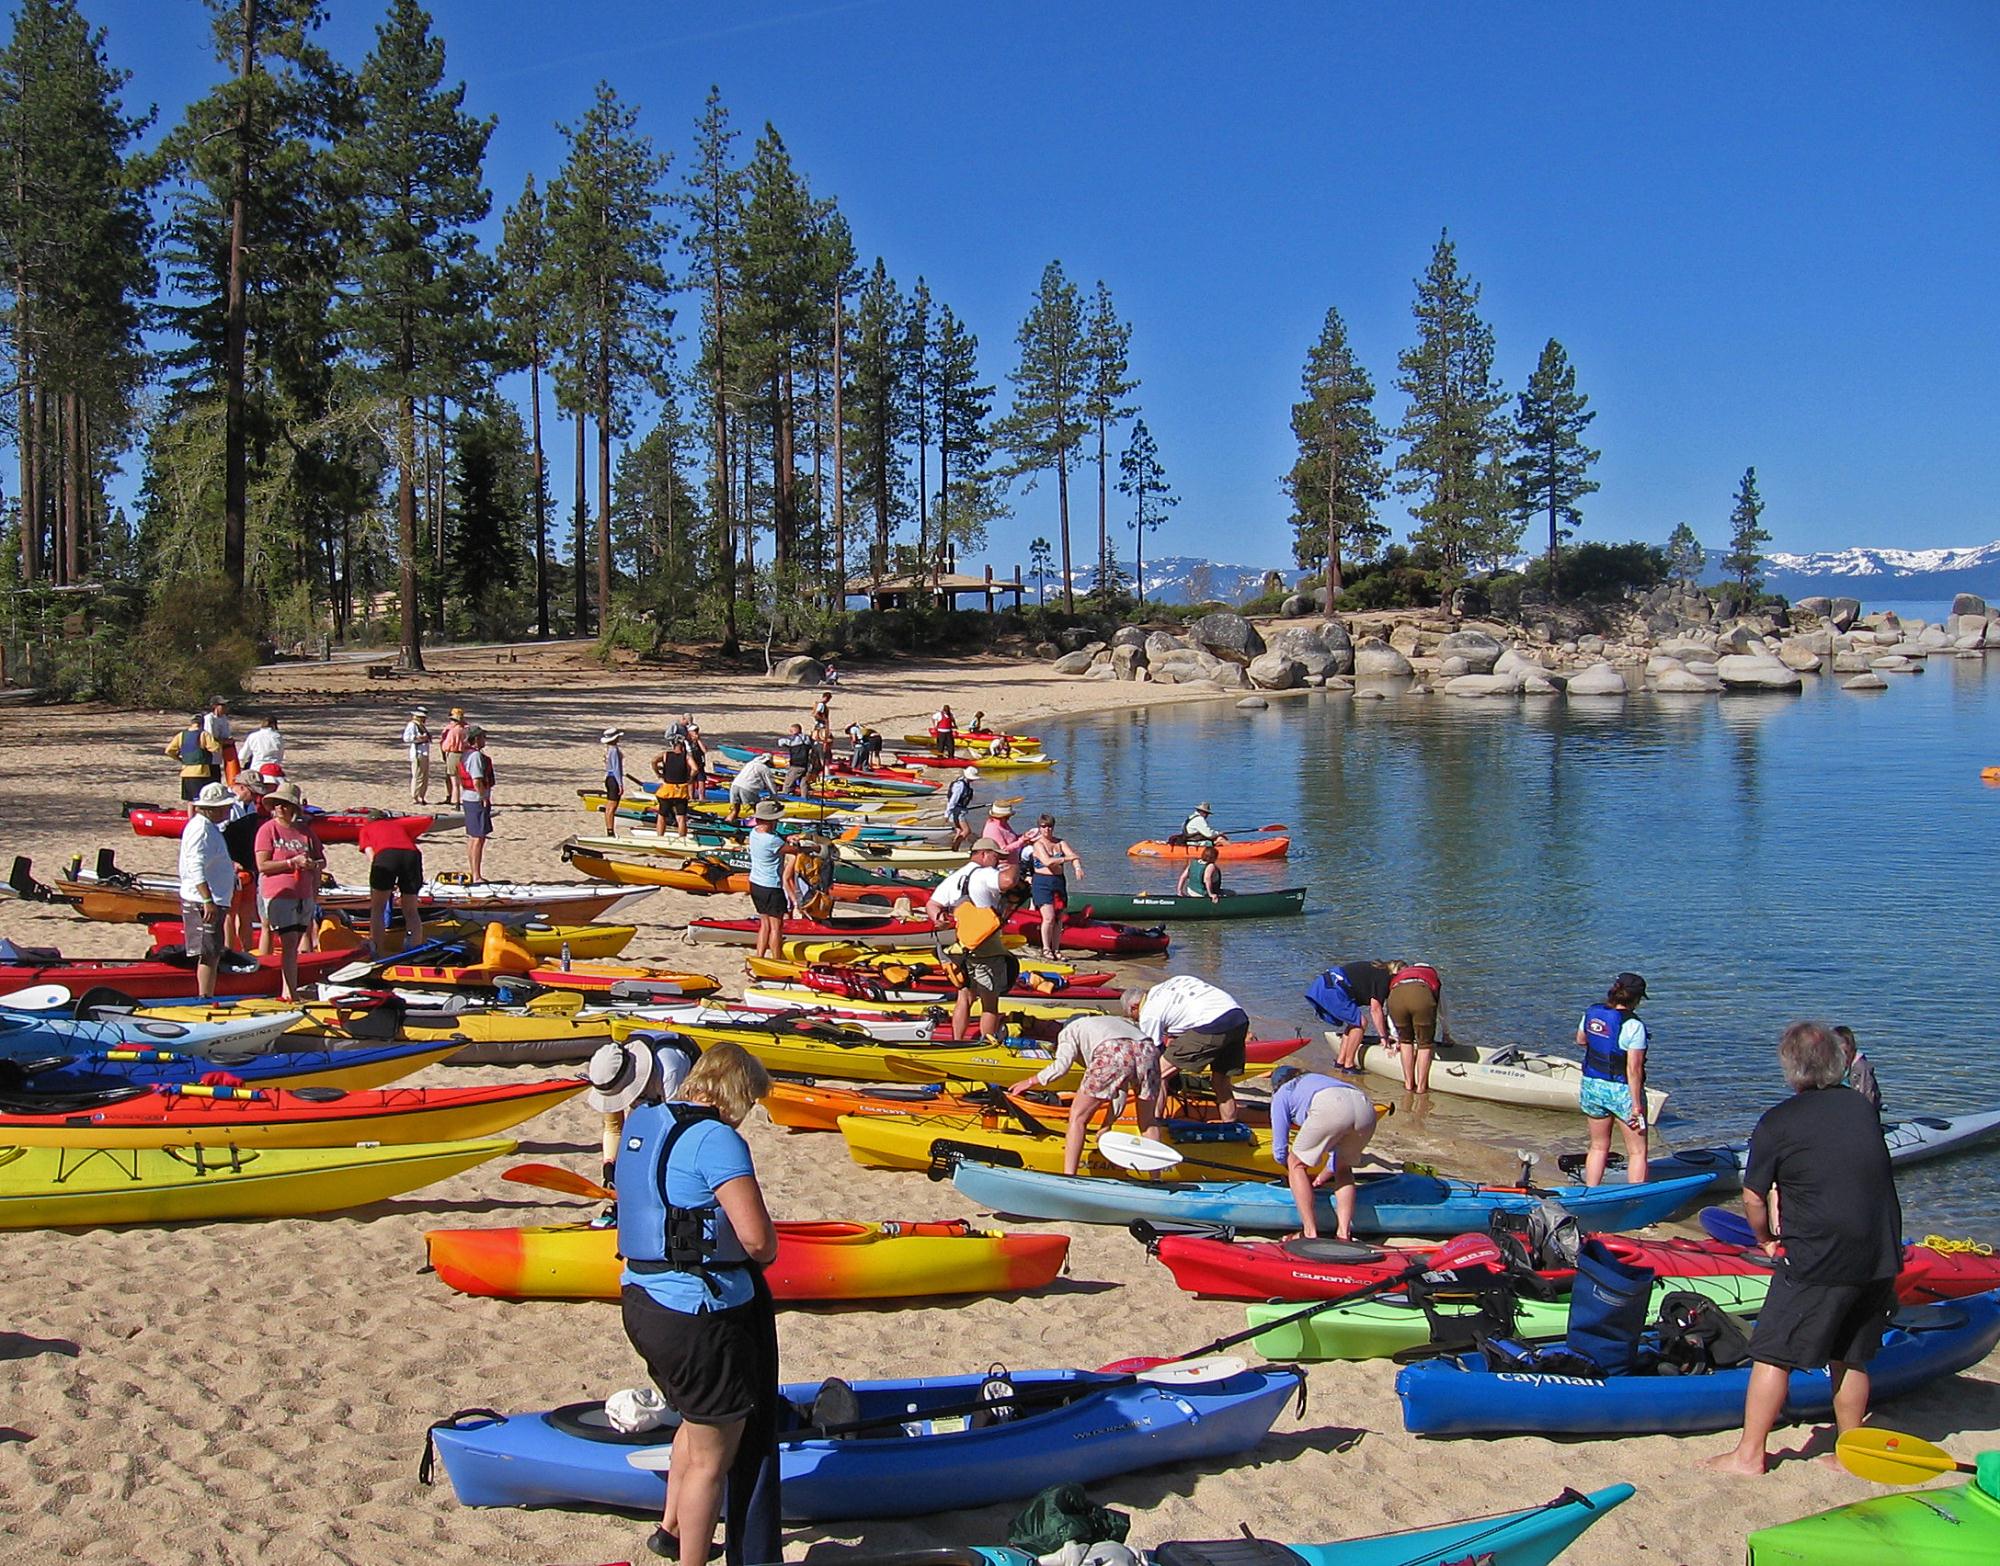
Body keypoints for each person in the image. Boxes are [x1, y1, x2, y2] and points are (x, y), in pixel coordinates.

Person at [1702, 1022, 1903, 1477]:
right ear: (1837, 1062)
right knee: (1850, 1355)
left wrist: (1764, 1239)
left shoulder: (1778, 1122)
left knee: (1773, 1352)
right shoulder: (1861, 1107)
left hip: (1819, 1256)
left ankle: (1749, 1455)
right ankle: (1849, 1452)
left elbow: (1753, 1197)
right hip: (1879, 1251)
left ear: (1790, 1069)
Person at [616, 1041, 781, 1566]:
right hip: (698, 1315)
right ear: (737, 1093)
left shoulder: (644, 1122)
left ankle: (669, 1529)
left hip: (641, 1301)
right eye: (751, 1101)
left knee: (696, 1418)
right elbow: (759, 1242)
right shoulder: (717, 1139)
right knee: (714, 1459)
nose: (748, 1113)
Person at [586, 1032, 699, 1228]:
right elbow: (614, 1128)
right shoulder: (609, 1075)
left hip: (684, 1094)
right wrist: (610, 1165)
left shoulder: (669, 1069)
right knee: (630, 1154)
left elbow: (674, 1132)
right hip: (651, 1092)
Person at [1028, 1013, 1161, 1176]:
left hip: (1112, 1051)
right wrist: (1107, 1124)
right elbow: (1121, 1089)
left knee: (1078, 1117)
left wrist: (1031, 1081)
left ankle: (1069, 1175)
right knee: (1148, 1121)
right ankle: (1156, 1178)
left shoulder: (1069, 1030)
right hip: (1148, 1050)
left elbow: (1061, 1066)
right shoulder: (1114, 1021)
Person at [1268, 1064, 1380, 1242]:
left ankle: (1309, 1233)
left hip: (1332, 1105)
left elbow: (1280, 1150)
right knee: (1343, 1168)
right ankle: (1344, 1234)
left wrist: (1291, 1172)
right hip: (1365, 1107)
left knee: (1295, 1163)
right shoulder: (1317, 1080)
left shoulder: (1282, 1093)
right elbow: (1336, 1158)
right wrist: (1321, 1178)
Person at [925, 837, 1017, 1041]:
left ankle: (957, 1041)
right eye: (996, 856)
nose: (998, 861)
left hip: (960, 946)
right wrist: (1015, 865)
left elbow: (932, 904)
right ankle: (986, 1044)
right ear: (984, 854)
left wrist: (938, 918)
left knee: (964, 997)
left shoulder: (955, 877)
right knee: (990, 1002)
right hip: (986, 947)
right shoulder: (985, 874)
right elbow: (1008, 882)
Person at [1126, 974, 1250, 1123]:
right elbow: (1178, 1028)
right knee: (1221, 1082)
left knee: (1159, 1075)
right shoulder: (1166, 988)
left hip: (1211, 1024)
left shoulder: (1148, 1014)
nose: (1137, 1020)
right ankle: (1230, 1126)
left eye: (1133, 1017)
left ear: (1134, 1007)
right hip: (1238, 1018)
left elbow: (1153, 1055)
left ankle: (1155, 1124)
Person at [1577, 972, 1651, 1186]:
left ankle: (1590, 1192)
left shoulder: (1592, 1012)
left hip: (1592, 1085)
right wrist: (1636, 1106)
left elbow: (1581, 1040)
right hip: (1621, 1090)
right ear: (1636, 999)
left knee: (1598, 1146)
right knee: (1637, 1152)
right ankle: (1636, 1198)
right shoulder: (1634, 1026)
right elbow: (1633, 1069)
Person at [254, 782, 322, 1000]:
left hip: (303, 893)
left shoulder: (305, 832)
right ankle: (289, 991)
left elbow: (321, 859)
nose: (280, 808)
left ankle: (288, 989)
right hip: (279, 892)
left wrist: (312, 866)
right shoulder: (268, 830)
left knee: (295, 942)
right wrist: (292, 862)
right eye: (277, 804)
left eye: (284, 804)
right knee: (288, 942)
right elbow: (263, 865)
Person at [178, 782, 237, 998]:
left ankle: (207, 994)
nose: (229, 811)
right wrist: (207, 900)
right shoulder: (201, 829)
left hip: (212, 898)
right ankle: (204, 996)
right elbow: (195, 866)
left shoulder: (207, 827)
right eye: (226, 807)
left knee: (212, 951)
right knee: (208, 952)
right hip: (203, 899)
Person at [358, 809, 426, 954]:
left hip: (386, 855)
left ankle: (377, 949)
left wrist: (384, 881)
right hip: (412, 855)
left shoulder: (366, 828)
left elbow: (372, 857)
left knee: (378, 908)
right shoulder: (397, 825)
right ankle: (414, 950)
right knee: (411, 910)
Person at [1308, 960, 1394, 1070]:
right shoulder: (1384, 978)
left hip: (1325, 984)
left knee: (1354, 1022)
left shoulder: (1379, 970)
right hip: (1331, 988)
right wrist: (1383, 1037)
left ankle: (1340, 1061)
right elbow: (1375, 1010)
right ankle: (1349, 1065)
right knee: (1361, 1023)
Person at [220, 771, 271, 952]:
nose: (256, 797)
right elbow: (218, 839)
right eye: (253, 792)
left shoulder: (250, 807)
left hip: (248, 866)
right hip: (231, 867)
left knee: (246, 913)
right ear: (241, 787)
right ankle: (228, 951)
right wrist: (230, 862)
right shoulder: (226, 806)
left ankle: (247, 950)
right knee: (230, 913)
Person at [1022, 814, 1083, 961]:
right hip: (1042, 882)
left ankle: (1056, 949)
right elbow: (1047, 861)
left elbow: (1074, 856)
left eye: (1049, 826)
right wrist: (1068, 858)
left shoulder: (1060, 843)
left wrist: (1077, 867)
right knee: (1048, 917)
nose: (1047, 829)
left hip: (1058, 881)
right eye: (1043, 827)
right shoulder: (1038, 844)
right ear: (1039, 828)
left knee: (1059, 918)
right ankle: (1046, 948)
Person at [1386, 960, 1447, 1093]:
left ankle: (1408, 1084)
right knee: (1425, 1044)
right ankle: (1421, 1087)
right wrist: (1446, 1034)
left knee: (1405, 1042)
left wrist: (1395, 1036)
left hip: (1395, 998)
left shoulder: (1400, 976)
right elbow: (1443, 1011)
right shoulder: (1432, 976)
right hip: (1421, 996)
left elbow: (1389, 1012)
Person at [746, 802, 797, 959]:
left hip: (756, 884)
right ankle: (777, 959)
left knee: (765, 925)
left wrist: (787, 837)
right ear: (770, 820)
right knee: (776, 927)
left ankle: (759, 957)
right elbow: (794, 850)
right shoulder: (772, 841)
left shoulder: (754, 833)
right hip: (771, 887)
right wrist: (814, 848)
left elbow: (777, 840)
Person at [458, 725, 495, 882]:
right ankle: (476, 875)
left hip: (469, 799)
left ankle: (474, 873)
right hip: (475, 800)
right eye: (482, 737)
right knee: (478, 838)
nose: (484, 739)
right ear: (476, 739)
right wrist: (483, 797)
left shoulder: (467, 754)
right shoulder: (475, 757)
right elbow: (477, 781)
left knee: (474, 837)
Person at [164, 712, 218, 802]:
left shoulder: (181, 735)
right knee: (201, 800)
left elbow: (168, 751)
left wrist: (179, 758)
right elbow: (215, 748)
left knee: (190, 801)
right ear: (202, 723)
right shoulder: (204, 734)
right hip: (201, 772)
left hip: (186, 772)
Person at [1834, 1025, 1882, 1115]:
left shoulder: (1861, 1069)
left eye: (1845, 1052)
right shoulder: (1837, 1065)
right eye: (1836, 1053)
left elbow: (1867, 1098)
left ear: (1852, 1049)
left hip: (1862, 1114)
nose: (1842, 1056)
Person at [653, 738, 696, 837]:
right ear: (683, 747)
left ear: (673, 746)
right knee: (681, 817)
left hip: (667, 789)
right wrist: (690, 778)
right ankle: (682, 838)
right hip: (681, 790)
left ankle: (660, 837)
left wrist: (658, 773)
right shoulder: (686, 757)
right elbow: (695, 768)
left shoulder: (665, 755)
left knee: (662, 816)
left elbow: (653, 761)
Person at [727, 752, 780, 824]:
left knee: (735, 810)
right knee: (758, 809)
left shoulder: (750, 763)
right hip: (748, 788)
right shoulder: (765, 768)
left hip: (734, 786)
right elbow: (771, 785)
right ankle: (759, 825)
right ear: (768, 761)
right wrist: (776, 800)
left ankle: (728, 822)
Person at [236, 715, 284, 780]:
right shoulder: (277, 737)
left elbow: (242, 756)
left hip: (257, 769)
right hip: (273, 770)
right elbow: (280, 756)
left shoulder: (253, 736)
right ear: (273, 725)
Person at [943, 765, 980, 850]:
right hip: (957, 811)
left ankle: (954, 848)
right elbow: (953, 800)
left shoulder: (963, 782)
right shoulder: (960, 785)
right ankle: (955, 847)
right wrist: (947, 814)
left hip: (958, 810)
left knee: (959, 830)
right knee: (966, 831)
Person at [438, 708, 468, 805]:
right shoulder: (466, 729)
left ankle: (454, 800)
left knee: (454, 781)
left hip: (453, 754)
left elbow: (445, 745)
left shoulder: (452, 731)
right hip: (464, 754)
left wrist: (444, 753)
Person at [204, 698, 237, 785]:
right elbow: (209, 737)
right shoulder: (209, 718)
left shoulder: (223, 718)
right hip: (210, 753)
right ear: (215, 706)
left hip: (218, 752)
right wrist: (223, 741)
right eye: (222, 705)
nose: (225, 708)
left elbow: (226, 734)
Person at [402, 708, 432, 804]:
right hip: (417, 753)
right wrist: (418, 738)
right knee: (418, 775)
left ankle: (421, 796)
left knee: (424, 776)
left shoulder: (421, 725)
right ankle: (415, 796)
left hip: (424, 752)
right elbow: (406, 738)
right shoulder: (412, 725)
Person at [601, 728, 627, 837]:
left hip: (608, 777)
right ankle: (610, 831)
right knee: (612, 807)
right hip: (614, 779)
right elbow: (617, 768)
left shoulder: (607, 750)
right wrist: (620, 784)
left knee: (609, 806)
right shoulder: (614, 750)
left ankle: (609, 829)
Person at [776, 724, 816, 797]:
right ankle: (804, 798)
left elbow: (780, 742)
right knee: (803, 784)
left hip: (796, 766)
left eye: (791, 731)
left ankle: (785, 797)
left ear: (794, 731)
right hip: (806, 765)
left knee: (788, 784)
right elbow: (813, 744)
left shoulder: (793, 739)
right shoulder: (807, 739)